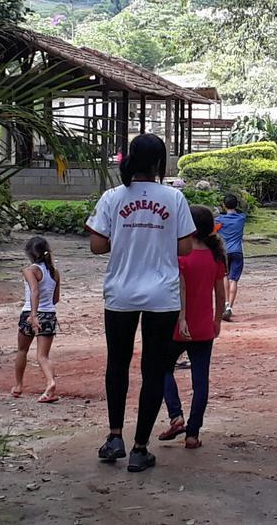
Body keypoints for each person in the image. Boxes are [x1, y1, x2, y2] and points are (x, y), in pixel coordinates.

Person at [86, 133, 195, 473]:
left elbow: (96, 246)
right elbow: (185, 249)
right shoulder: (174, 198)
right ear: (159, 163)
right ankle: (140, 448)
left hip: (120, 293)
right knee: (153, 370)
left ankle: (114, 436)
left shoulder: (112, 198)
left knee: (116, 364)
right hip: (161, 297)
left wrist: (127, 236)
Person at [158, 205, 227, 449]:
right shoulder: (215, 256)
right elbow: (220, 293)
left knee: (161, 368)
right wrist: (217, 320)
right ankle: (193, 434)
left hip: (178, 325)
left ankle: (176, 415)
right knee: (201, 381)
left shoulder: (179, 256)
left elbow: (176, 291)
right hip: (203, 326)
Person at [12, 236, 60, 403]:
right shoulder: (54, 272)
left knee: (22, 350)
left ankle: (18, 386)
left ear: (29, 253)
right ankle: (50, 382)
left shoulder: (29, 271)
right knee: (43, 356)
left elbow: (34, 291)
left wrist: (33, 314)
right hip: (49, 314)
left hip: (30, 314)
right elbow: (55, 299)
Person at [214, 194, 247, 321]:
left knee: (224, 277)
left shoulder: (219, 221)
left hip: (224, 251)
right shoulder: (241, 218)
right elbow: (242, 212)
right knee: (234, 279)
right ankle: (230, 307)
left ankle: (226, 303)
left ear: (224, 205)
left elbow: (214, 231)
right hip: (237, 251)